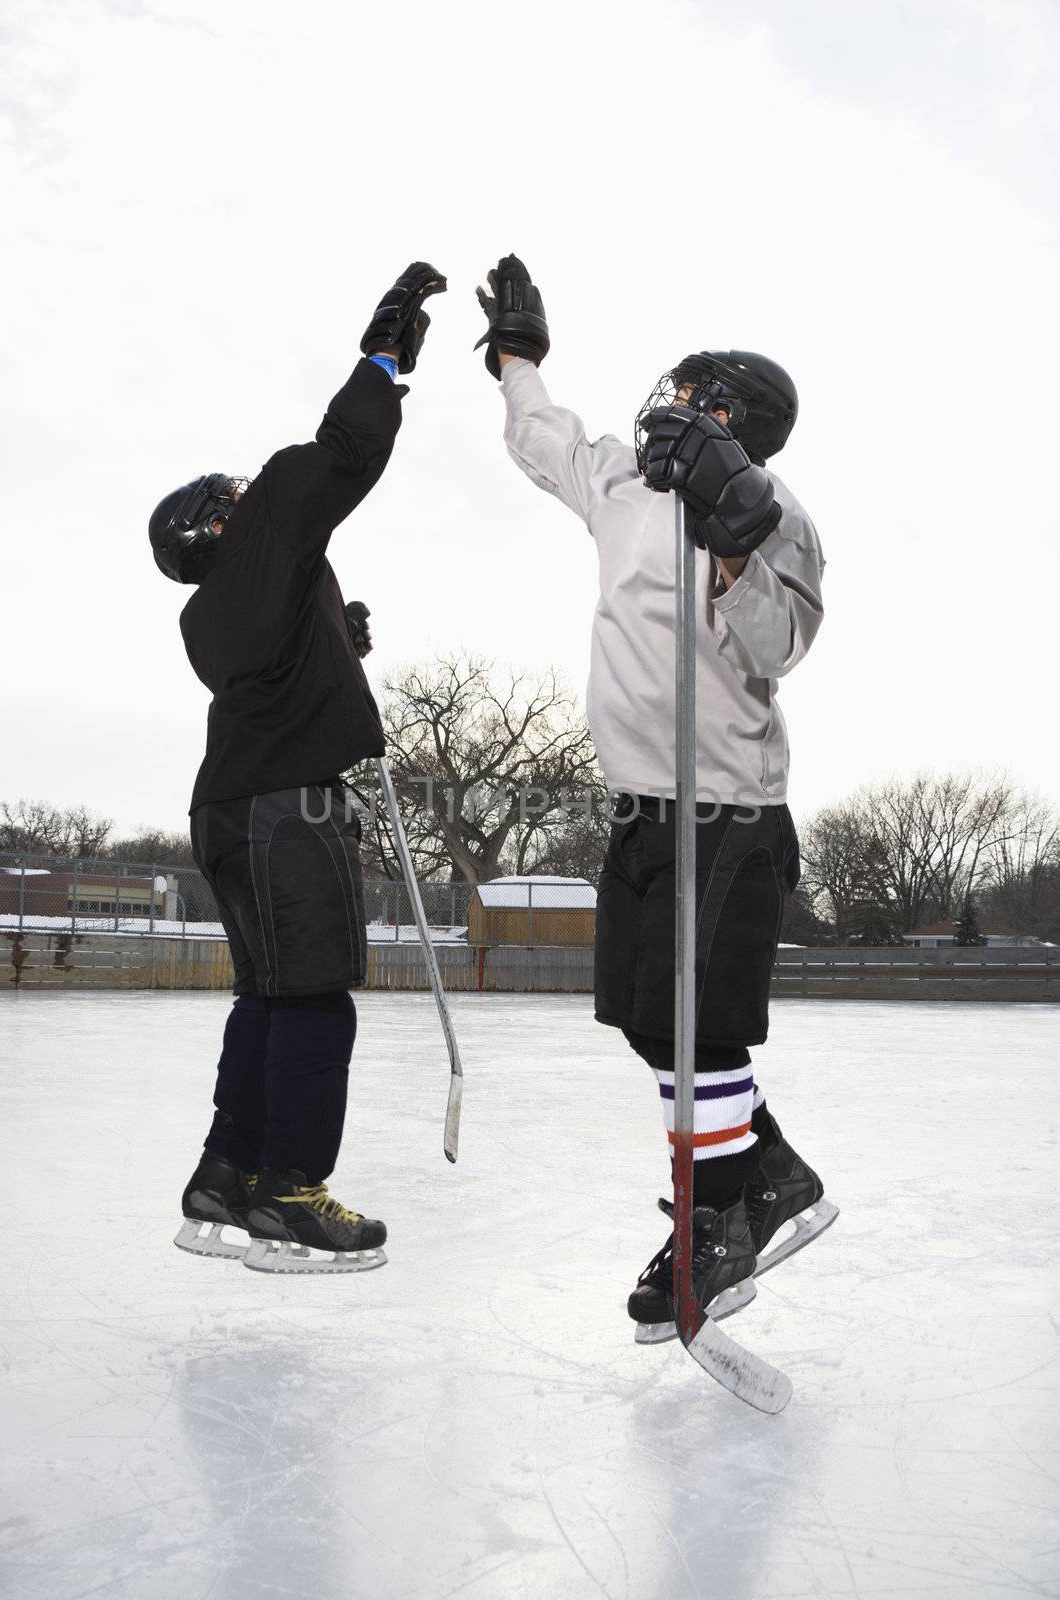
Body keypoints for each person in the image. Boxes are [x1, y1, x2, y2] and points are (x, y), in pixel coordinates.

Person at [475, 255, 837, 1339]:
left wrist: (731, 541)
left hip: (726, 810)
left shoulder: (778, 517)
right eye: (670, 388)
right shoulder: (625, 482)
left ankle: (713, 1221)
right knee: (646, 1023)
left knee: (697, 1030)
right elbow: (543, 442)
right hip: (638, 806)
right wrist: (516, 363)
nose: (670, 404)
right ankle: (764, 1168)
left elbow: (778, 646)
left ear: (734, 419)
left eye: (694, 394)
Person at [152, 262, 446, 1274]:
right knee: (314, 997)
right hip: (288, 815)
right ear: (220, 521)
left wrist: (331, 638)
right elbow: (341, 455)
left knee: (267, 995)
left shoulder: (208, 617)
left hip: (228, 811)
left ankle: (225, 1172)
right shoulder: (269, 520)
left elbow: (279, 667)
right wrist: (380, 361)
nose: (249, 490)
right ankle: (289, 1190)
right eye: (234, 496)